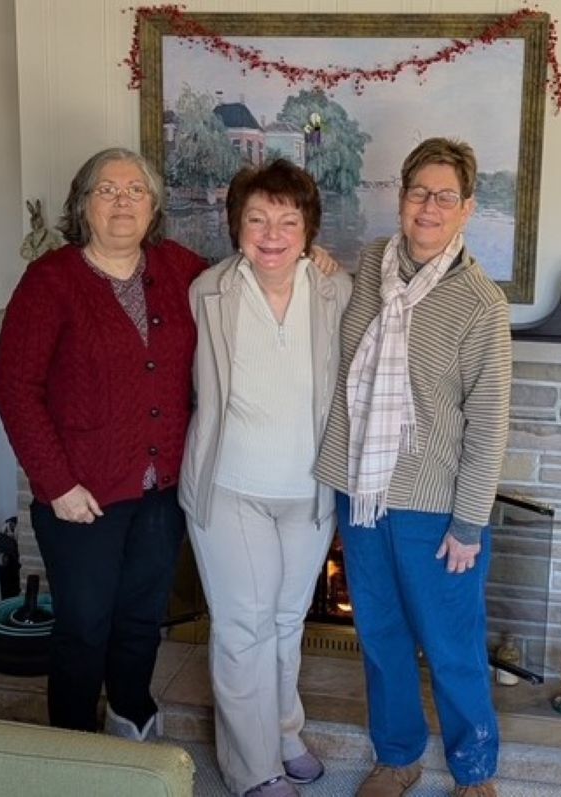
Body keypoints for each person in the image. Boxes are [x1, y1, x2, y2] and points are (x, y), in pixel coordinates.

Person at [315, 138, 512, 797]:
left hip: (437, 509)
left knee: (454, 648)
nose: (429, 206)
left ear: (468, 208)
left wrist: (469, 521)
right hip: (364, 495)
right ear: (401, 199)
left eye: (444, 196)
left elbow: (487, 425)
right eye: (418, 192)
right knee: (382, 638)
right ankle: (397, 757)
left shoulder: (481, 304)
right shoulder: (371, 263)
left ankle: (474, 772)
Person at [0, 147, 207, 738]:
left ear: (154, 205)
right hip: (79, 495)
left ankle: (130, 718)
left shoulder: (181, 269)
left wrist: (312, 261)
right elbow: (15, 390)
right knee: (84, 624)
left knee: (141, 619)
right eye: (106, 189)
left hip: (161, 491)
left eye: (135, 190)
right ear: (83, 205)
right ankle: (72, 742)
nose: (122, 200)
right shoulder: (50, 281)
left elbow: (248, 273)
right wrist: (55, 483)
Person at [178, 159, 352, 797]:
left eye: (288, 219)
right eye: (258, 218)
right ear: (236, 227)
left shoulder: (340, 290)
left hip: (309, 492)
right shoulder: (209, 292)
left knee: (284, 622)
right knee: (242, 627)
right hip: (230, 488)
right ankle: (252, 768)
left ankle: (283, 730)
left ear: (308, 230)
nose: (272, 233)